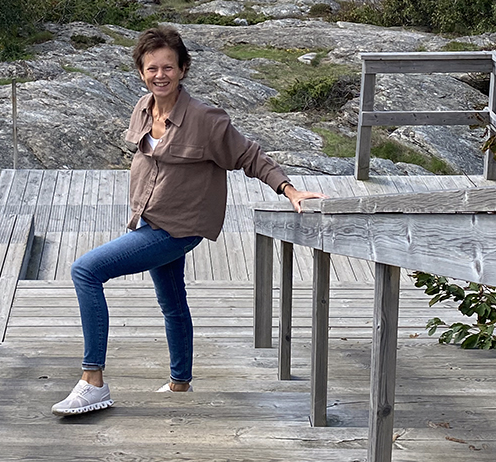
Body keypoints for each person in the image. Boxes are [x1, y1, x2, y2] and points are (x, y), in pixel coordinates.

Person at [51, 25, 324, 416]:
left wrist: (290, 190)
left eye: (168, 67)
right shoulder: (143, 108)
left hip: (180, 228)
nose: (160, 75)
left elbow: (249, 155)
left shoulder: (205, 119)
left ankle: (92, 381)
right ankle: (180, 383)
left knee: (86, 271)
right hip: (149, 220)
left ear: (182, 69)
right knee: (173, 302)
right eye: (151, 68)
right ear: (141, 72)